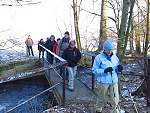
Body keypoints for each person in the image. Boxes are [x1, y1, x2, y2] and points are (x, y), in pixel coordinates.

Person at [92, 39, 123, 113]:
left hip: (113, 81)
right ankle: (98, 110)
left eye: (111, 50)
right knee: (101, 98)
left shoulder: (115, 57)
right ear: (104, 49)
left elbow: (116, 68)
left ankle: (115, 110)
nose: (109, 51)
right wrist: (104, 71)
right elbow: (94, 70)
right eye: (107, 50)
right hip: (103, 82)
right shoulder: (99, 57)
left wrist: (119, 69)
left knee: (115, 98)